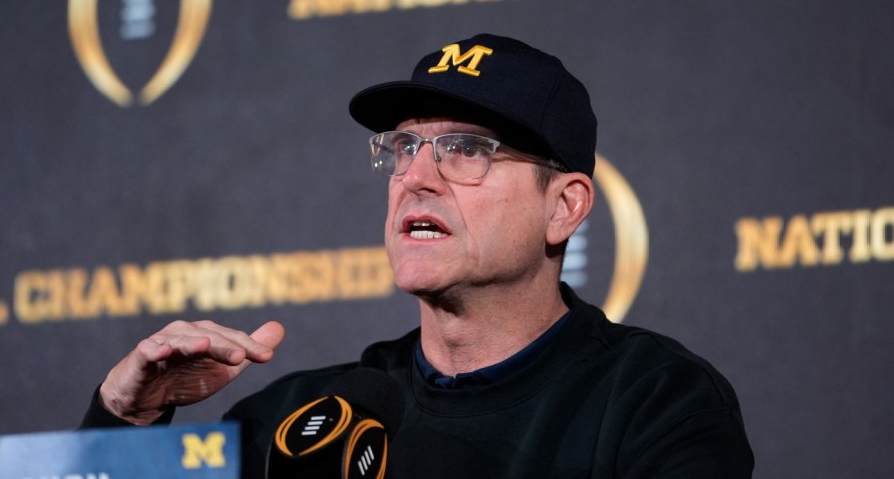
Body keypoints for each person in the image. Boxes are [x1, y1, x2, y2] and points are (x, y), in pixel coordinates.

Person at [81, 34, 754, 478]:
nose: (416, 178)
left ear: (566, 206)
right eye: (404, 148)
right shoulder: (302, 419)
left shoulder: (656, 402)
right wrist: (124, 422)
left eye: (467, 149)